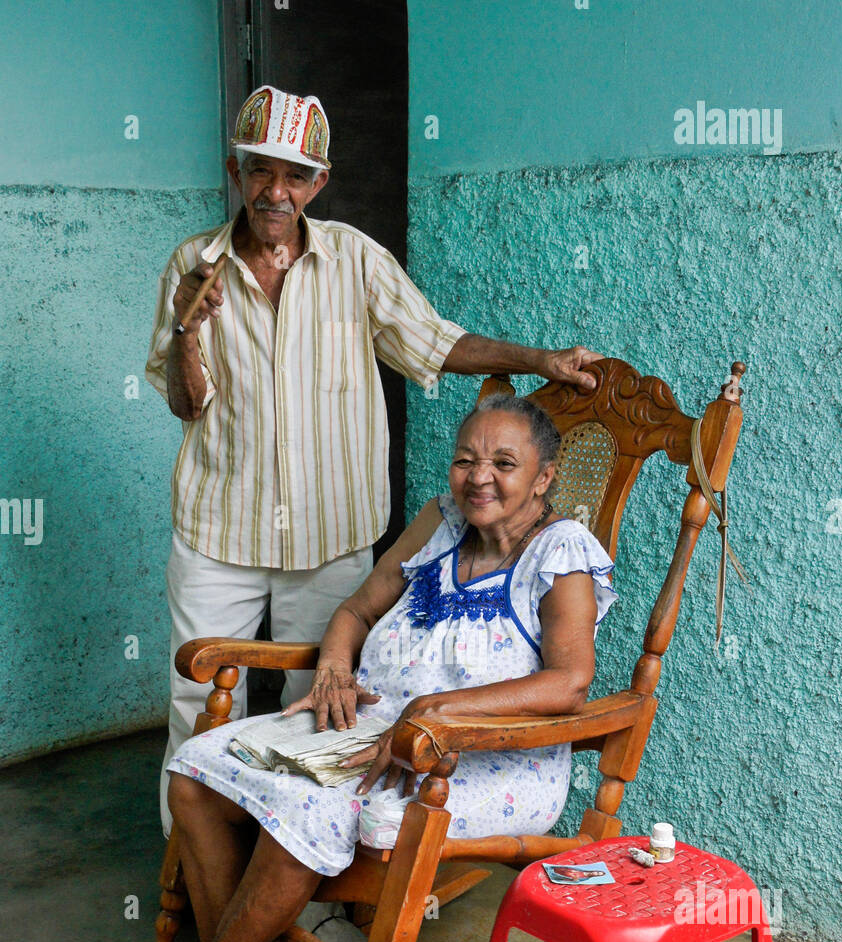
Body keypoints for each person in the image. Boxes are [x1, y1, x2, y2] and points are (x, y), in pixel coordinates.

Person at [76, 395, 616, 942]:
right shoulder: (439, 525)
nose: (478, 476)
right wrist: (334, 663)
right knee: (199, 765)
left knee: (312, 802)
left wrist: (437, 712)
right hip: (377, 728)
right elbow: (357, 610)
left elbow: (569, 681)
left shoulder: (560, 552)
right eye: (466, 459)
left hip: (483, 760)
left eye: (503, 463)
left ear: (545, 478)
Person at [145, 85, 605, 834]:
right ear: (236, 173)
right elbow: (185, 403)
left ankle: (294, 878)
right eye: (262, 171)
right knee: (193, 709)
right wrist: (188, 331)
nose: (277, 191)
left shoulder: (355, 260)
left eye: (296, 176)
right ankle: (199, 887)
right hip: (218, 532)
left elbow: (434, 340)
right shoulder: (192, 265)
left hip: (330, 535)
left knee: (320, 713)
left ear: (318, 184)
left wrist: (539, 359)